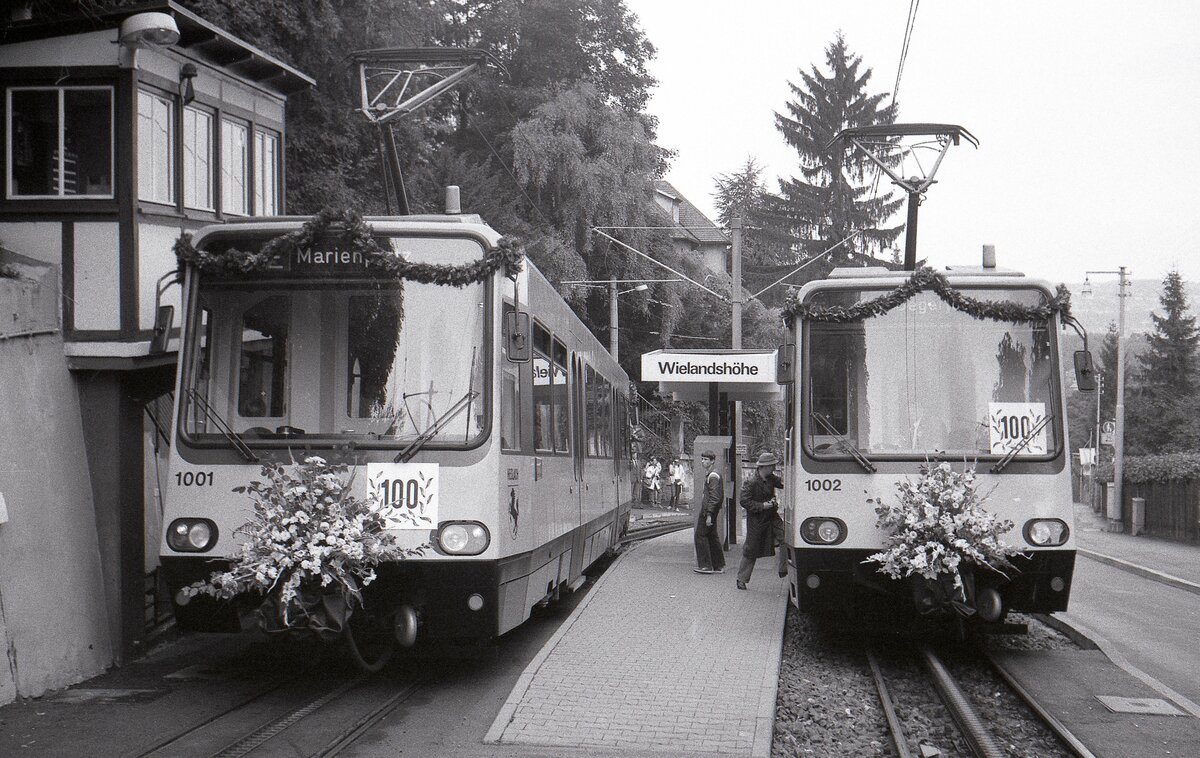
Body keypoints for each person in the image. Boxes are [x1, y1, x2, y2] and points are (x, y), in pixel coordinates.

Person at [736, 451, 786, 589]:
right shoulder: (751, 482)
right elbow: (744, 501)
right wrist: (762, 506)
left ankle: (783, 569)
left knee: (785, 536)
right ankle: (741, 579)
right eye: (772, 466)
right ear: (764, 467)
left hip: (771, 517)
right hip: (757, 521)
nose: (774, 468)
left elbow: (783, 483)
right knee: (751, 550)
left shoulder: (771, 478)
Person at [693, 450, 725, 574]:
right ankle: (718, 565)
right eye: (702, 459)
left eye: (706, 459)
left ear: (712, 461)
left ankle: (706, 566)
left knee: (700, 536)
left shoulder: (713, 476)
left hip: (708, 511)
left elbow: (714, 497)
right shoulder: (712, 474)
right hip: (710, 510)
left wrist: (709, 514)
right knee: (712, 537)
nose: (703, 461)